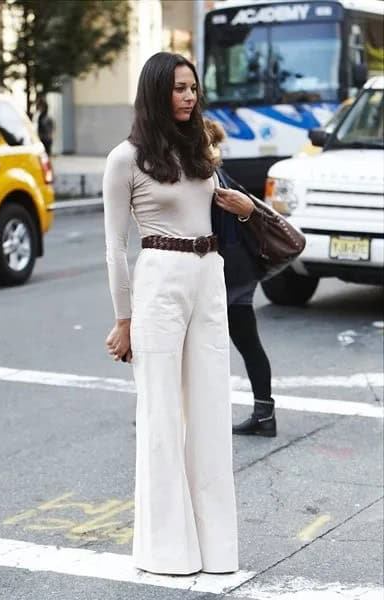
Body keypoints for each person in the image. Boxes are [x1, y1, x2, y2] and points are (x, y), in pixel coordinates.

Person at [102, 52, 255, 576]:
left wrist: (245, 208)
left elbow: (215, 202)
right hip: (160, 277)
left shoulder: (200, 151)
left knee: (211, 411)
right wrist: (124, 319)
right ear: (155, 92)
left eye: (193, 88)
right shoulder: (125, 158)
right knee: (162, 414)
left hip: (208, 274)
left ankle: (216, 551)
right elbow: (114, 248)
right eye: (178, 88)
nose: (189, 97)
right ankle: (167, 551)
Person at [205, 119, 276, 438]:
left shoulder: (207, 176)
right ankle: (264, 414)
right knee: (248, 344)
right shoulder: (218, 172)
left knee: (200, 346)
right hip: (238, 271)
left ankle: (177, 415)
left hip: (226, 274)